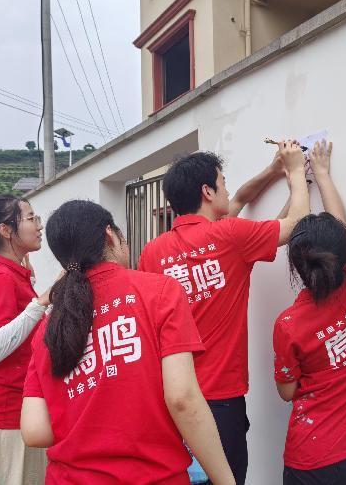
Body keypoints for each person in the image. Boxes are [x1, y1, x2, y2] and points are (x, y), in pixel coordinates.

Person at [21, 200, 235, 485]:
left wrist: (88, 423)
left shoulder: (48, 329)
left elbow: (34, 430)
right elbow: (182, 399)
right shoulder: (159, 292)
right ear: (110, 235)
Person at [138, 142, 310, 484]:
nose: (227, 189)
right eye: (222, 182)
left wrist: (272, 171)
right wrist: (295, 170)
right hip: (220, 403)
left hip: (172, 400)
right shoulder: (230, 236)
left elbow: (241, 198)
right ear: (207, 191)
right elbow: (297, 224)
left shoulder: (152, 252)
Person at [272, 141, 346, 485]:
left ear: (297, 265)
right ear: (343, 257)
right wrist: (323, 174)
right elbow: (343, 228)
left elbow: (286, 391)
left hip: (313, 459)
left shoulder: (289, 324)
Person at [0, 194, 56, 484]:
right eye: (31, 218)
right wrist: (41, 302)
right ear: (6, 230)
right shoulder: (2, 277)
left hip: (17, 412)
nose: (39, 225)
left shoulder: (10, 273)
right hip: (3, 415)